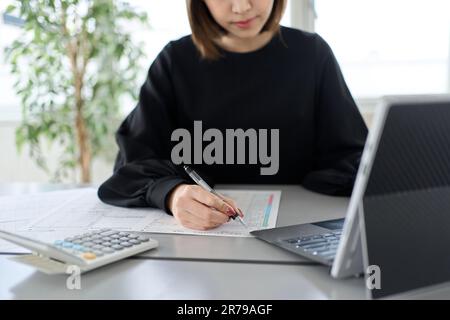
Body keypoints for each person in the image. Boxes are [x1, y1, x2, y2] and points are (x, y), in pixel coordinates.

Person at [98, 0, 368, 231]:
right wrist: (172, 193)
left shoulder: (312, 55)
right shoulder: (175, 62)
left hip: (300, 228)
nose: (241, 7)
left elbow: (351, 156)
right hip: (200, 242)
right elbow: (131, 166)